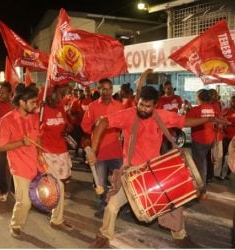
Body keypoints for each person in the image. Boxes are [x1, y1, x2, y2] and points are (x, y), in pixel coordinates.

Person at [87, 85, 214, 249]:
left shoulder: (161, 115)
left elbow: (183, 121)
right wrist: (94, 151)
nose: (144, 109)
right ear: (137, 101)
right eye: (141, 105)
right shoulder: (128, 115)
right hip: (132, 173)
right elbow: (103, 122)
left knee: (174, 203)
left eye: (148, 106)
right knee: (112, 206)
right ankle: (105, 235)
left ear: (155, 106)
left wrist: (206, 120)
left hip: (154, 172)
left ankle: (180, 235)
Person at [0, 86, 73, 239]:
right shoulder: (6, 121)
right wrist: (20, 143)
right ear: (22, 102)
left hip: (38, 162)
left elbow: (37, 136)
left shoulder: (33, 116)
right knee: (24, 202)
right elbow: (1, 146)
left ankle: (57, 220)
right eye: (32, 102)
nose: (36, 105)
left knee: (59, 187)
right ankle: (16, 224)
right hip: (20, 166)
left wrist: (40, 153)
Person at [81, 78, 123, 219]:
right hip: (98, 152)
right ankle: (102, 206)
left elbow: (126, 124)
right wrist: (96, 125)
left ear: (112, 89)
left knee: (121, 179)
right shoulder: (92, 107)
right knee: (100, 182)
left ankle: (122, 204)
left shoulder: (119, 106)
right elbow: (84, 127)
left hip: (116, 151)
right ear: (98, 90)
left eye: (108, 88)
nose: (105, 92)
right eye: (102, 89)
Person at [40, 84, 73, 198]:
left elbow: (68, 125)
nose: (60, 98)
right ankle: (50, 198)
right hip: (47, 150)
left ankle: (60, 194)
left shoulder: (61, 108)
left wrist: (67, 128)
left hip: (61, 149)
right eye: (59, 95)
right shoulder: (41, 110)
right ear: (50, 95)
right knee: (50, 179)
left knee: (64, 176)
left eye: (62, 95)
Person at [186, 89, 216, 199]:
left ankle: (201, 192)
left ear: (199, 98)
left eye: (196, 96)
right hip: (209, 139)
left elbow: (185, 120)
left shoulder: (196, 109)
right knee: (203, 164)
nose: (195, 97)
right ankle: (201, 189)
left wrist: (187, 110)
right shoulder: (211, 108)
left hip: (199, 140)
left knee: (199, 166)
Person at [156, 80, 183, 153]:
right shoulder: (161, 100)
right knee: (164, 148)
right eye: (168, 88)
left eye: (171, 88)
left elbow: (181, 110)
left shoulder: (178, 98)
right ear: (164, 89)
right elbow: (157, 113)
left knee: (174, 148)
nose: (170, 90)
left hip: (175, 127)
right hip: (165, 128)